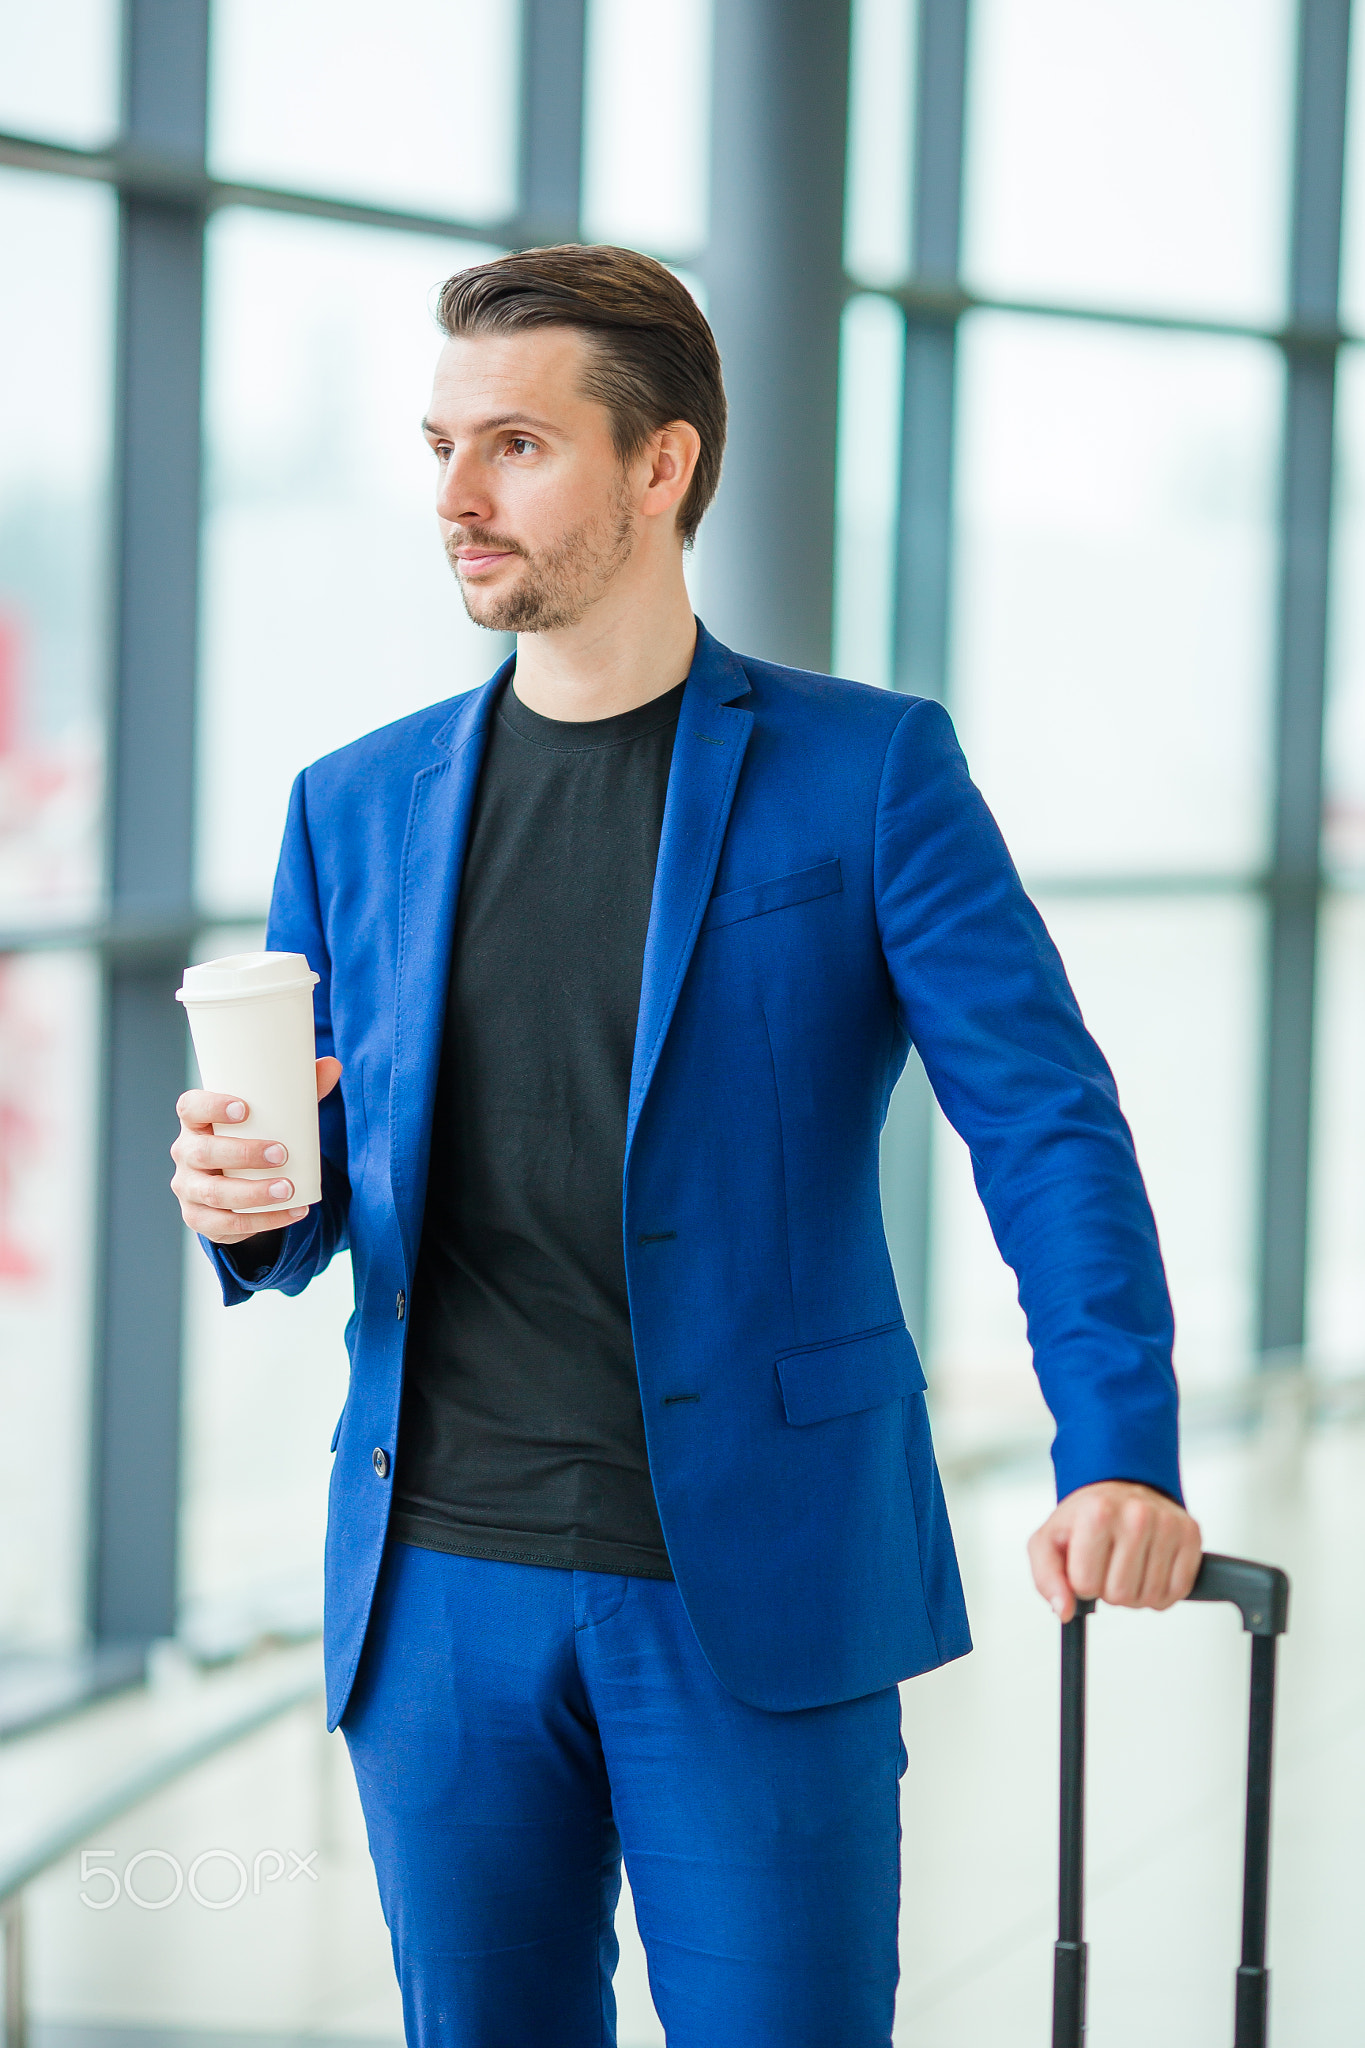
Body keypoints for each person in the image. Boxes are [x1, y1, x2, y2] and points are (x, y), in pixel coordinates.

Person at [170, 244, 1201, 2047]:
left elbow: (1043, 1122)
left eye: (515, 445)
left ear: (664, 466)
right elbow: (322, 1172)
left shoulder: (867, 773)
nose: (457, 499)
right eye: (437, 447)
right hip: (438, 1594)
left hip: (757, 1584)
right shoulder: (356, 803)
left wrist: (1117, 1448)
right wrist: (254, 1205)